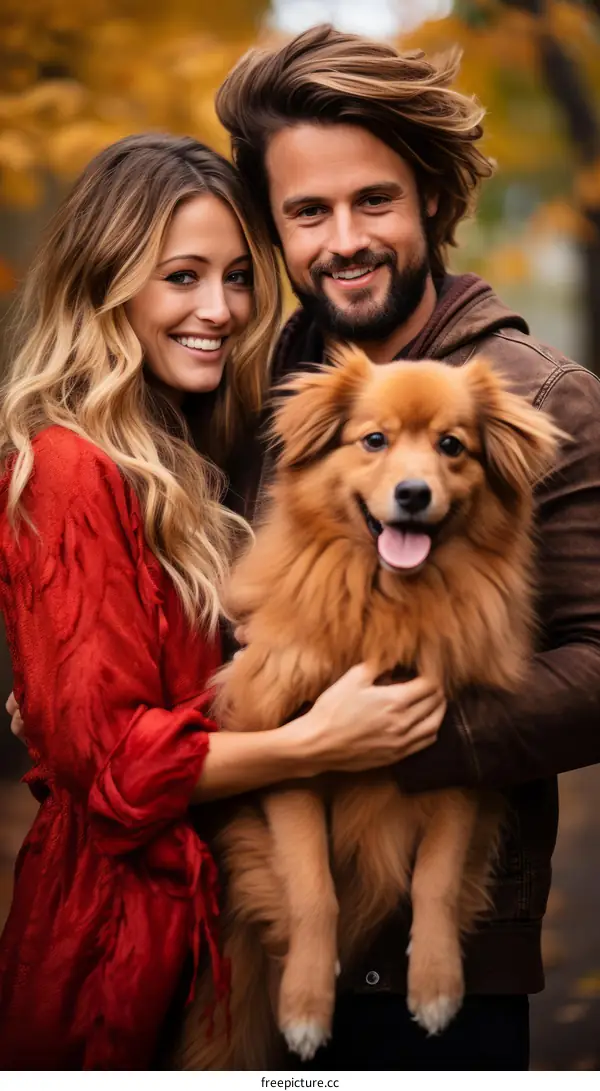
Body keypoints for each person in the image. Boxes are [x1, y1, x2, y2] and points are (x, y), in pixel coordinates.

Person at [0, 133, 446, 1071]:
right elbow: (117, 776)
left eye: (239, 276)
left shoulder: (192, 450)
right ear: (106, 281)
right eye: (182, 276)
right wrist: (315, 740)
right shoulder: (71, 469)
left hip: (221, 922)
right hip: (123, 939)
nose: (220, 309)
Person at [213, 24, 600, 1071]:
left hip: (447, 965)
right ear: (277, 230)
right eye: (308, 211)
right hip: (241, 930)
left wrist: (387, 732)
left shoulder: (545, 396)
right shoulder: (245, 392)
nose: (344, 237)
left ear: (431, 196)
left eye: (373, 200)